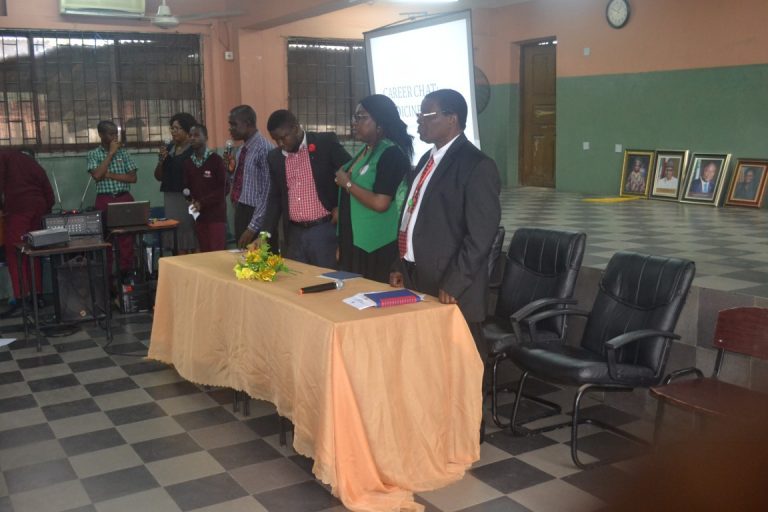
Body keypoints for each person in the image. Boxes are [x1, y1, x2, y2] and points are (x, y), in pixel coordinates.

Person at [389, 89, 501, 373]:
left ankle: (472, 406)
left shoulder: (477, 165)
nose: (419, 121)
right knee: (426, 365)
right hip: (416, 276)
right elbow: (411, 215)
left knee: (460, 369)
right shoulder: (427, 159)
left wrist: (455, 282)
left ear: (452, 119)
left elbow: (481, 235)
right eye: (419, 115)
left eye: (427, 115)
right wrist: (400, 263)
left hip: (450, 286)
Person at [334, 94, 413, 282]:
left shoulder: (391, 153)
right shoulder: (367, 149)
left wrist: (348, 184)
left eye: (361, 117)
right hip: (353, 241)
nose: (355, 123)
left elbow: (380, 203)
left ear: (380, 122)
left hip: (375, 245)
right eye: (355, 117)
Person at [264, 109, 351, 267]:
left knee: (325, 277)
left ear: (296, 128)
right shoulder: (275, 157)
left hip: (324, 230)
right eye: (276, 140)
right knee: (296, 278)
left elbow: (351, 173)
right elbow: (275, 198)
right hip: (294, 234)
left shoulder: (325, 143)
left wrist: (341, 206)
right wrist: (265, 233)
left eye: (284, 137)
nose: (280, 144)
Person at [0, 149, 55, 317]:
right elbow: (50, 195)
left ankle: (22, 299)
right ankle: (37, 297)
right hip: (39, 208)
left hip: (18, 209)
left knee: (16, 253)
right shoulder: (31, 162)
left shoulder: (2, 157)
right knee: (33, 252)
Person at [86, 120, 137, 276]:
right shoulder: (93, 154)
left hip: (124, 198)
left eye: (116, 133)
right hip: (104, 199)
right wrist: (111, 154)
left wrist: (109, 175)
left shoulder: (124, 153)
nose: (115, 137)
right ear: (101, 135)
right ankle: (108, 279)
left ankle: (125, 276)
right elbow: (97, 175)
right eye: (111, 134)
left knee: (126, 239)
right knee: (106, 239)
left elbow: (132, 178)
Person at [228, 105, 274, 248]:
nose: (230, 129)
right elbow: (242, 182)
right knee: (242, 258)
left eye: (234, 124)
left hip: (257, 215)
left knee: (259, 259)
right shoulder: (242, 149)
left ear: (247, 123)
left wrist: (252, 227)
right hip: (241, 209)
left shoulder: (263, 149)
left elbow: (267, 193)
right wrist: (230, 171)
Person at [154, 112, 197, 253]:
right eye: (172, 128)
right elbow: (158, 176)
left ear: (187, 130)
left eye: (177, 128)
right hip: (171, 196)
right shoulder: (169, 148)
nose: (173, 131)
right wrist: (161, 161)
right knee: (174, 233)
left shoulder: (193, 149)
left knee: (188, 234)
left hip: (187, 198)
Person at [183, 124, 227, 252]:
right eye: (190, 135)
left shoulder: (216, 160)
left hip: (216, 216)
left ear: (206, 138)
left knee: (216, 254)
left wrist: (202, 202)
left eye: (196, 135)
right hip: (199, 216)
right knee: (205, 253)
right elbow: (186, 187)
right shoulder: (188, 163)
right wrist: (190, 200)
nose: (192, 138)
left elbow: (224, 189)